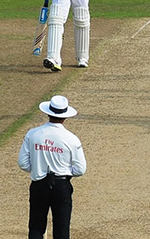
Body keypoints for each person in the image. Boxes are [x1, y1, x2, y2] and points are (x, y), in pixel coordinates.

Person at [18, 95, 87, 239]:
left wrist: (38, 168)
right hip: (61, 185)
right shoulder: (71, 139)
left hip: (39, 184)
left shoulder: (33, 134)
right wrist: (66, 172)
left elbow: (23, 163)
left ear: (48, 113)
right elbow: (80, 169)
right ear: (65, 116)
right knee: (62, 230)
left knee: (36, 227)